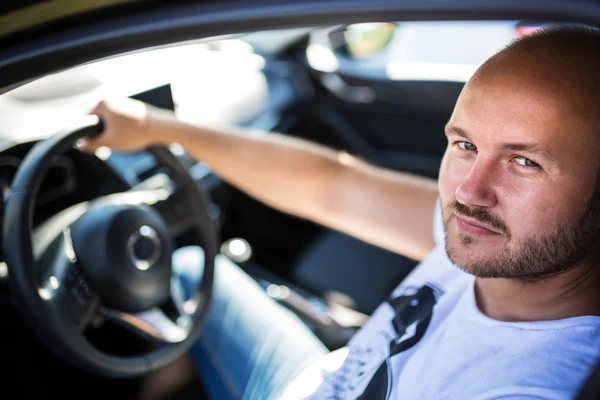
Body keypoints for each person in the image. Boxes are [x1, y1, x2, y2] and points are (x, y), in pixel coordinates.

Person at [79, 25, 600, 399]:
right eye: (464, 145)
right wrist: (157, 127)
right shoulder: (492, 235)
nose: (470, 190)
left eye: (524, 161)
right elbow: (333, 185)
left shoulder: (542, 383)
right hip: (322, 381)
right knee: (188, 269)